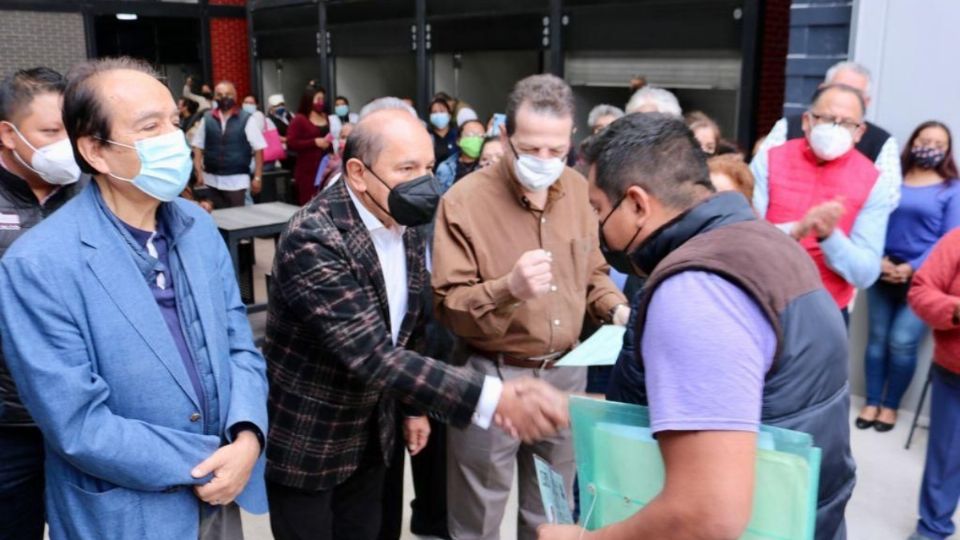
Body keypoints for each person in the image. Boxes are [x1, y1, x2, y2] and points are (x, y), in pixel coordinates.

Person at [264, 97, 569, 540]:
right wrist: (494, 398)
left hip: (375, 435)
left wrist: (414, 409)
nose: (424, 183)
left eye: (428, 168)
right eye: (406, 169)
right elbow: (373, 355)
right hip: (314, 441)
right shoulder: (314, 238)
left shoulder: (403, 221)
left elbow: (412, 328)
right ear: (358, 174)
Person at [541, 112, 854, 540]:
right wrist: (573, 408)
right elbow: (729, 400)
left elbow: (706, 514)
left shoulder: (693, 291)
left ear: (636, 203)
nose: (599, 227)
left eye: (598, 209)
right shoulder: (765, 245)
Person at [0, 57, 269, 540]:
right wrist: (211, 461)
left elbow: (238, 344)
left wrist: (248, 437)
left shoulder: (199, 227)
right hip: (126, 511)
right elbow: (76, 421)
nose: (174, 138)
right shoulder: (39, 263)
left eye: (174, 121)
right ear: (96, 151)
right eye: (150, 127)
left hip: (223, 494)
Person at [432, 74, 629, 540]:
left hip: (565, 372)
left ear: (571, 141)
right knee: (477, 516)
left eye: (556, 151)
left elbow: (594, 274)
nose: (544, 161)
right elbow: (447, 307)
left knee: (552, 513)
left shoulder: (580, 192)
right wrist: (509, 289)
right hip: (491, 373)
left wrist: (617, 310)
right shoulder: (464, 201)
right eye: (531, 148)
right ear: (505, 137)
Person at [0, 66, 84, 540]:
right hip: (11, 426)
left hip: (84, 417)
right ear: (9, 135)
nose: (65, 145)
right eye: (50, 132)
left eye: (70, 131)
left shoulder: (88, 192)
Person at [858, 121, 960, 433]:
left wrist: (913, 267)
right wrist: (879, 260)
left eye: (938, 143)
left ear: (947, 151)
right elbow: (871, 217)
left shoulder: (952, 188)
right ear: (912, 141)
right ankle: (872, 401)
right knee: (876, 340)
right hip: (882, 269)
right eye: (924, 139)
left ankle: (890, 407)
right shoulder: (891, 179)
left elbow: (949, 239)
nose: (929, 146)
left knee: (902, 342)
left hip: (924, 278)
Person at [751, 84, 886, 318]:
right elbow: (744, 237)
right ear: (807, 121)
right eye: (827, 118)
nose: (835, 128)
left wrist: (829, 237)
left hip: (826, 312)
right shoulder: (770, 159)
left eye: (846, 123)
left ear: (859, 133)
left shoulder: (873, 180)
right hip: (762, 299)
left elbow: (865, 273)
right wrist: (794, 230)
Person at [753, 60, 902, 214]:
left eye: (855, 93)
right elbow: (756, 187)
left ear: (866, 102)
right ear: (821, 90)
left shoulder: (881, 141)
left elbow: (887, 199)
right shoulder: (789, 126)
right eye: (838, 88)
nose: (843, 98)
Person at [908, 228, 960, 540]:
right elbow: (921, 291)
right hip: (955, 373)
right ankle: (932, 527)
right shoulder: (957, 240)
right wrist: (955, 308)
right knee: (946, 456)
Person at [191, 81, 266, 208]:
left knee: (236, 219)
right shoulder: (207, 118)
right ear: (215, 97)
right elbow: (198, 146)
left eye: (228, 94)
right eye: (219, 95)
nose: (224, 98)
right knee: (214, 219)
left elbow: (259, 148)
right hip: (211, 179)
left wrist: (257, 177)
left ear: (235, 97)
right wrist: (198, 171)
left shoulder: (246, 119)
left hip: (236, 181)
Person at [286, 85, 333, 205]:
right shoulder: (300, 119)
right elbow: (291, 142)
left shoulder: (325, 116)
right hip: (308, 169)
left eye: (322, 99)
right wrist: (313, 142)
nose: (321, 102)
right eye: (318, 99)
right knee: (309, 201)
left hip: (326, 164)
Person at [436, 119, 486, 192]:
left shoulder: (488, 166)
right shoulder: (445, 168)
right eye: (470, 135)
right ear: (458, 140)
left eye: (481, 136)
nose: (476, 139)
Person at [429, 97, 458, 167]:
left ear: (449, 115)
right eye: (434, 112)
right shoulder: (427, 136)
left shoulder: (457, 135)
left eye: (442, 111)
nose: (438, 115)